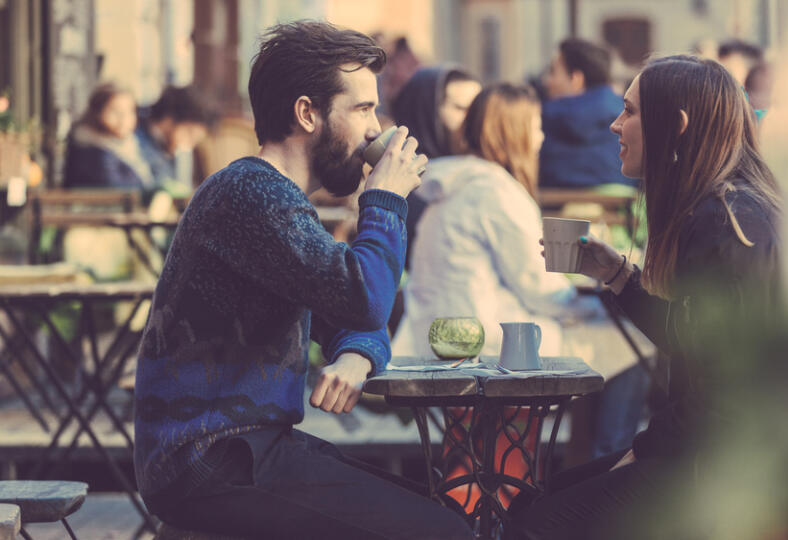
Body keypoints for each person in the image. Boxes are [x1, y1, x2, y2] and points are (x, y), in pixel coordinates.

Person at [133, 21, 473, 540]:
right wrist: (385, 200)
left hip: (245, 451)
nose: (373, 130)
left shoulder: (278, 201)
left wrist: (357, 354)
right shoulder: (250, 194)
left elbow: (353, 308)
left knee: (433, 512)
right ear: (307, 112)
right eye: (362, 109)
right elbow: (365, 298)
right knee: (442, 533)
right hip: (210, 459)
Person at [507, 54, 781, 540]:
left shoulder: (724, 221)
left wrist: (648, 449)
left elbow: (730, 386)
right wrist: (617, 274)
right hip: (717, 451)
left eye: (629, 111)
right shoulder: (727, 205)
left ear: (675, 126)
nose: (615, 124)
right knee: (540, 501)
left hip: (725, 467)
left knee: (536, 524)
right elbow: (696, 340)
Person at [391, 83, 593, 358]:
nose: (541, 138)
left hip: (432, 338)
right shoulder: (495, 191)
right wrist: (597, 304)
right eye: (536, 127)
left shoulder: (455, 184)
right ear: (514, 132)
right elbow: (536, 286)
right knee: (608, 335)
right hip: (478, 343)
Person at [390, 65, 481, 267]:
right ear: (426, 111)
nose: (474, 120)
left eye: (478, 109)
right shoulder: (394, 176)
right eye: (461, 109)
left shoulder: (485, 171)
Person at [539, 38, 634, 188]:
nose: (546, 81)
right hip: (621, 209)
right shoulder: (628, 119)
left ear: (576, 79)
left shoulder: (541, 122)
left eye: (552, 72)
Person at [63, 82, 151, 189]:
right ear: (97, 113)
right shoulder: (92, 152)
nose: (123, 119)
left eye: (129, 111)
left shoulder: (130, 145)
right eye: (115, 111)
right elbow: (115, 188)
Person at [135, 85, 218, 189]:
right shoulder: (132, 139)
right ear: (169, 119)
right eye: (190, 134)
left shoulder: (165, 148)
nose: (189, 145)